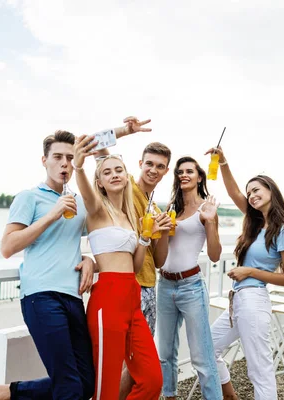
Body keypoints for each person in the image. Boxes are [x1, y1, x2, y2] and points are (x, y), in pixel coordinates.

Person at [0, 123, 146, 400]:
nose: (65, 163)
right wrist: (52, 214)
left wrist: (90, 260)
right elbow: (8, 247)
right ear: (44, 161)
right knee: (69, 385)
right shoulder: (30, 197)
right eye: (58, 157)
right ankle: (6, 393)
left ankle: (6, 393)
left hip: (73, 297)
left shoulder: (80, 202)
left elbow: (105, 241)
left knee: (85, 383)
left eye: (70, 158)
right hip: (41, 295)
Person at [73, 131, 169, 400]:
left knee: (152, 380)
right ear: (100, 182)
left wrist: (145, 238)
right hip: (108, 299)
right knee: (106, 384)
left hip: (132, 296)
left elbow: (137, 266)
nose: (114, 175)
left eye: (119, 171)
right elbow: (84, 185)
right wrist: (80, 165)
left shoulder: (129, 217)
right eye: (107, 173)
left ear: (126, 177)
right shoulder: (96, 210)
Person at [205, 147, 284, 400]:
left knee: (260, 369)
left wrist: (250, 271)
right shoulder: (256, 223)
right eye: (249, 193)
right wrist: (223, 162)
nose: (251, 195)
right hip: (238, 301)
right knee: (207, 349)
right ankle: (229, 396)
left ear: (271, 191)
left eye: (256, 190)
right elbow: (234, 192)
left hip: (255, 300)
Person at [156, 156, 224, 400]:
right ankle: (170, 396)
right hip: (164, 284)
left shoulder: (207, 209)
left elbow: (215, 255)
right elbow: (161, 256)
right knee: (165, 354)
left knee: (202, 357)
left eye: (189, 171)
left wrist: (210, 222)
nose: (183, 174)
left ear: (199, 177)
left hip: (191, 287)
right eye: (180, 171)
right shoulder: (171, 209)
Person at [119, 141, 172, 400]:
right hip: (128, 283)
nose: (153, 169)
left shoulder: (157, 209)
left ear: (166, 171)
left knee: (136, 365)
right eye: (149, 163)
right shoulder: (127, 186)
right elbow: (102, 160)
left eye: (160, 166)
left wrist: (162, 234)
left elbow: (160, 261)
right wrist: (124, 132)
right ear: (140, 164)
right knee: (122, 360)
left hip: (150, 287)